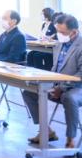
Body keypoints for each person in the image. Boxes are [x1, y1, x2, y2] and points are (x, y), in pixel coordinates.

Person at [22, 14, 82, 150]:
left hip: (77, 87)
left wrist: (61, 88)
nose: (59, 35)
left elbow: (81, 74)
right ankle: (46, 131)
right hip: (57, 83)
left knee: (69, 98)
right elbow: (55, 67)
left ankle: (71, 139)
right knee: (29, 92)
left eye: (62, 32)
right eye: (58, 31)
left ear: (74, 32)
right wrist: (48, 82)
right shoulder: (60, 43)